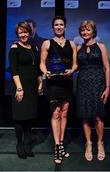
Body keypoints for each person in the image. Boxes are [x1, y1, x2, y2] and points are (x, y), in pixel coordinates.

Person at [40, 15, 77, 164]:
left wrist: (72, 70)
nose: (59, 27)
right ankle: (57, 146)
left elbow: (75, 64)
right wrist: (45, 72)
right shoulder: (46, 43)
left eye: (61, 24)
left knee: (64, 113)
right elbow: (42, 64)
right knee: (55, 114)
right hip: (53, 83)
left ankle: (61, 144)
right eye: (56, 25)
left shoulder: (72, 44)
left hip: (66, 82)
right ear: (53, 27)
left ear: (65, 27)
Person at [76, 20, 110, 161]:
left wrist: (107, 87)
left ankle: (100, 143)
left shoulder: (101, 46)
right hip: (83, 84)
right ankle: (89, 144)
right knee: (85, 115)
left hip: (98, 84)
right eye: (83, 30)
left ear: (93, 31)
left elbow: (107, 68)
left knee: (98, 116)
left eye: (88, 30)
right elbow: (74, 66)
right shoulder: (78, 48)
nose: (85, 32)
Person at [9, 21, 42, 159]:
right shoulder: (15, 47)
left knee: (29, 118)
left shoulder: (34, 47)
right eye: (21, 32)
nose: (23, 34)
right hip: (20, 87)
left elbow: (37, 68)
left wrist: (40, 84)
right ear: (17, 34)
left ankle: (28, 144)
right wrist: (19, 88)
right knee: (19, 118)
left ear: (29, 32)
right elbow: (14, 70)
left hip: (32, 87)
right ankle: (20, 144)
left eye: (25, 32)